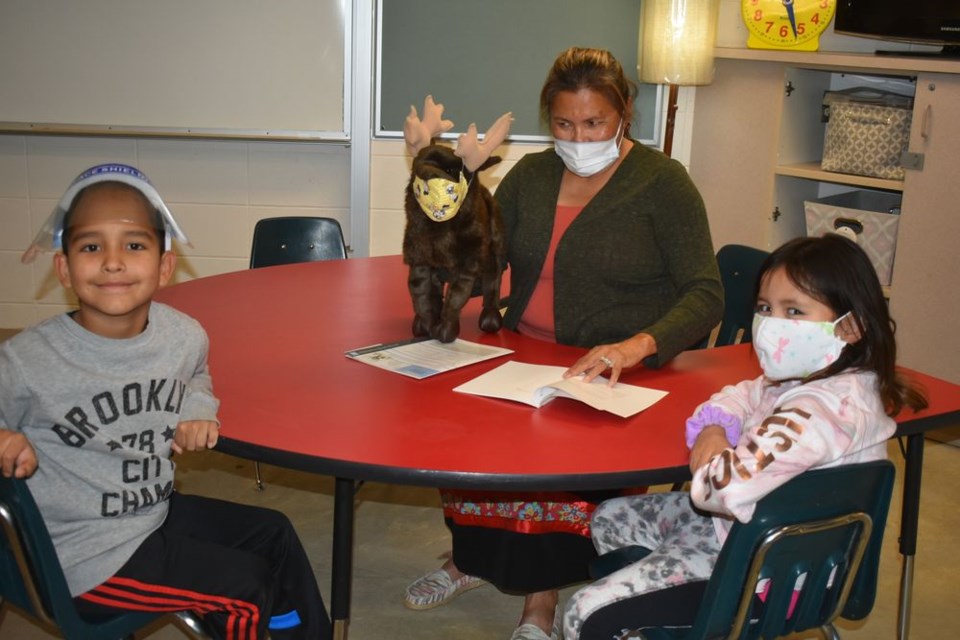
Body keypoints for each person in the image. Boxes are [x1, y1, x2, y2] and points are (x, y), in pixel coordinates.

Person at [403, 47, 724, 640]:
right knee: (461, 439)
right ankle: (470, 560)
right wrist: (440, 220)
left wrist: (635, 346)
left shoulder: (662, 184)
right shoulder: (534, 174)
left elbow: (706, 293)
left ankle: (540, 601)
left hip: (609, 375)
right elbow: (487, 252)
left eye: (594, 123)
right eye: (564, 124)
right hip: (520, 354)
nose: (579, 137)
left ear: (624, 112)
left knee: (548, 467)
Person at [0, 164, 331, 640]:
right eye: (91, 247)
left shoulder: (183, 335)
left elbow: (196, 374)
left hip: (152, 514)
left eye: (133, 245)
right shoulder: (27, 361)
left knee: (274, 533)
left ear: (164, 265)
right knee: (244, 587)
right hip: (83, 559)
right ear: (64, 267)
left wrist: (198, 410)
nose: (113, 262)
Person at [561, 234, 929, 640]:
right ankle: (662, 598)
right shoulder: (804, 379)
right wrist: (716, 427)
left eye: (794, 311)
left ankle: (669, 603)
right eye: (765, 308)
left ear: (851, 327)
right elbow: (741, 393)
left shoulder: (819, 412)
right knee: (612, 517)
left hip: (772, 574)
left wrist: (714, 450)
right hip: (745, 531)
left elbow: (722, 489)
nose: (772, 324)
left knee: (585, 613)